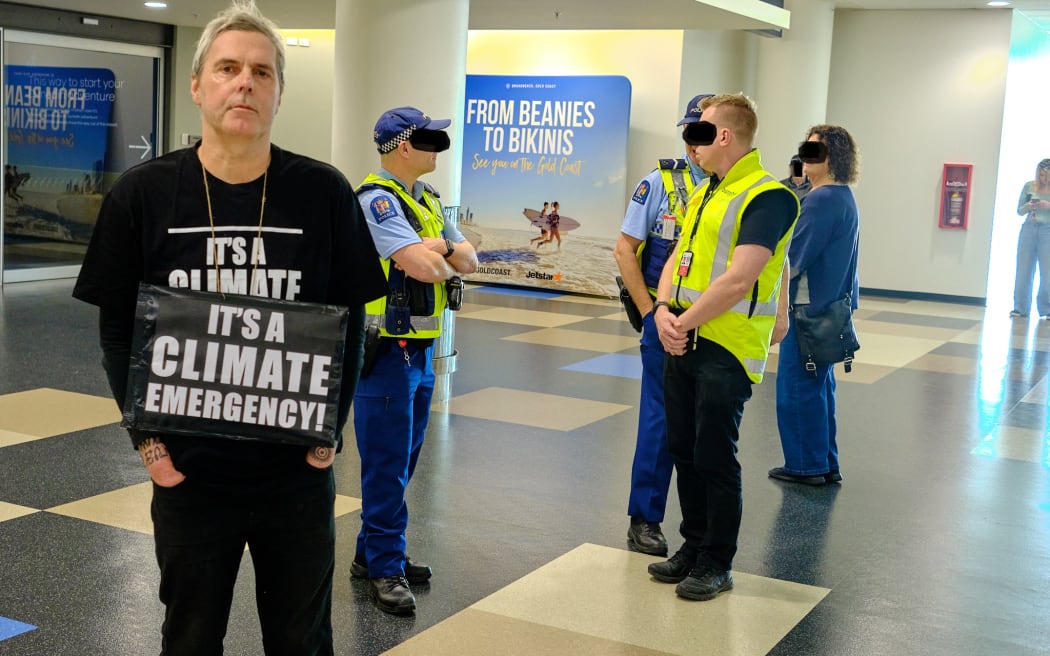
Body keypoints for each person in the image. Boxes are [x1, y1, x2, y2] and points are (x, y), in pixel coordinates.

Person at [71, 2, 387, 653]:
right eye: (228, 68)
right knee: (189, 637)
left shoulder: (324, 193)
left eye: (262, 72)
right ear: (198, 86)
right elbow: (117, 335)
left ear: (277, 93)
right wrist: (150, 449)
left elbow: (351, 326)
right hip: (190, 472)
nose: (245, 82)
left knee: (302, 640)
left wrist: (329, 437)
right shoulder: (142, 195)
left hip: (295, 474)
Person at [648, 93, 798, 601]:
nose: (691, 143)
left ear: (725, 136)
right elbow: (676, 256)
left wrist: (682, 322)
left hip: (728, 346)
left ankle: (717, 562)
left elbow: (740, 279)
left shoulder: (769, 196)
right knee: (684, 450)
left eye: (699, 132)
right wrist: (664, 310)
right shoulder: (706, 192)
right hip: (684, 337)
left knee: (714, 454)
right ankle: (693, 546)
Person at [353, 106, 478, 615]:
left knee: (404, 460)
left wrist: (442, 245)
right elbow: (423, 268)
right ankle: (386, 567)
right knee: (386, 464)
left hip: (420, 352)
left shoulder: (427, 199)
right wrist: (437, 255)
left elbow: (468, 261)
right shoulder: (378, 201)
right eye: (430, 138)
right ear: (404, 145)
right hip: (387, 352)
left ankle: (375, 554)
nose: (437, 146)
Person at [612, 93, 710, 557]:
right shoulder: (660, 184)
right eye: (692, 131)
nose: (696, 143)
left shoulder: (737, 190)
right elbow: (624, 248)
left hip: (716, 325)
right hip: (666, 319)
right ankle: (645, 518)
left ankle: (702, 525)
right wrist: (649, 312)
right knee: (661, 418)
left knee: (708, 426)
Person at [768, 125, 861, 486]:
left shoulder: (822, 200)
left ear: (832, 157)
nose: (805, 157)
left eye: (814, 151)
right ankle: (824, 462)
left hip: (806, 308)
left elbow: (793, 257)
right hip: (829, 306)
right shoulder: (839, 196)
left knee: (797, 387)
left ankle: (805, 465)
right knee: (820, 386)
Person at [1011, 159, 1050, 319]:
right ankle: (1020, 308)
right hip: (1028, 229)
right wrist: (1029, 206)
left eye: (1046, 176)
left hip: (1047, 231)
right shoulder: (1029, 186)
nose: (1043, 179)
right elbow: (1019, 210)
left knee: (1047, 272)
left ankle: (1046, 309)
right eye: (1041, 175)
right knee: (1024, 270)